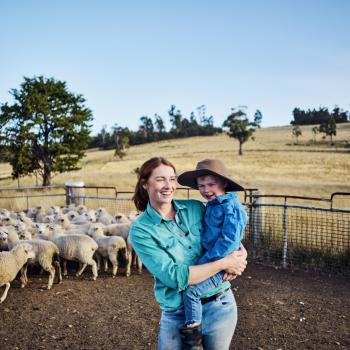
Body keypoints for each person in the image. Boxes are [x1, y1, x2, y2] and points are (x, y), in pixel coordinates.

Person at [129, 157, 247, 350]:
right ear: (145, 183)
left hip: (220, 305)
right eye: (160, 179)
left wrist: (241, 257)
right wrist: (224, 263)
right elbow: (175, 277)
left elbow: (228, 236)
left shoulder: (195, 208)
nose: (168, 186)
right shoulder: (142, 230)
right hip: (178, 314)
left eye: (172, 179)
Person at [177, 159, 247, 347]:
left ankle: (193, 338)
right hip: (216, 260)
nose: (206, 190)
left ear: (224, 183)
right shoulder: (213, 205)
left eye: (211, 184)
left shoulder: (231, 208)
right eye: (201, 186)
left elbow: (229, 241)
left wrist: (204, 262)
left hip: (219, 262)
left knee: (192, 292)